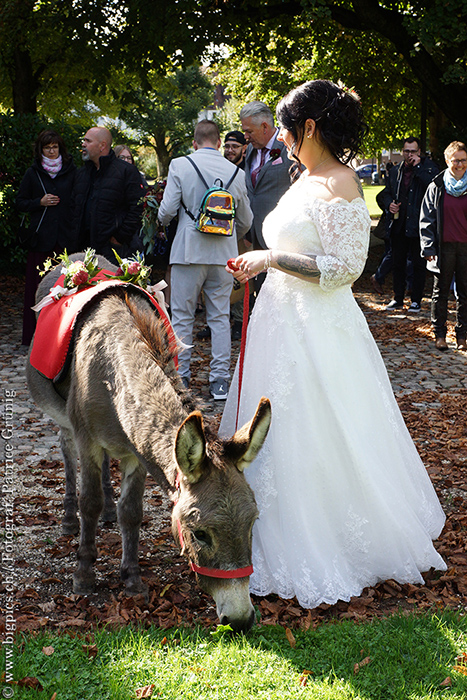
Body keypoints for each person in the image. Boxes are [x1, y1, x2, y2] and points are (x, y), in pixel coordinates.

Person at [219, 80, 446, 610]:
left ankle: (329, 539)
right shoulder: (303, 178)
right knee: (272, 427)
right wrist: (259, 260)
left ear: (311, 127)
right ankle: (261, 532)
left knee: (321, 425)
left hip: (320, 328)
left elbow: (346, 269)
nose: (281, 136)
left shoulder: (342, 184)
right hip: (279, 320)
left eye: (287, 126)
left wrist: (271, 260)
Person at [157, 119, 253, 399]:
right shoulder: (235, 171)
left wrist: (164, 224)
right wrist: (230, 236)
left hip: (188, 252)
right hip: (223, 253)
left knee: (183, 317)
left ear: (194, 142)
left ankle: (182, 377)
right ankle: (220, 381)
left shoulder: (180, 165)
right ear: (220, 142)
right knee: (220, 318)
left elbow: (167, 210)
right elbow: (246, 220)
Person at [16, 129, 77, 345]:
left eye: (55, 147)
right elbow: (19, 202)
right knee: (38, 288)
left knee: (65, 287)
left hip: (65, 239)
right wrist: (38, 203)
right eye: (47, 147)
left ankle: (62, 337)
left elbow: (77, 202)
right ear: (40, 150)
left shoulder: (71, 171)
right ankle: (35, 336)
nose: (51, 151)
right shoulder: (33, 172)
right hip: (41, 240)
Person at [381, 137, 439, 312]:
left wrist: (418, 167)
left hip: (419, 225)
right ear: (402, 151)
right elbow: (385, 193)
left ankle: (416, 300)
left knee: (418, 265)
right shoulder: (396, 171)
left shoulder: (429, 168)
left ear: (419, 152)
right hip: (399, 224)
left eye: (413, 151)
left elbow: (433, 186)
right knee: (397, 264)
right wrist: (389, 203)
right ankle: (398, 298)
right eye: (407, 151)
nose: (410, 155)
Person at [72, 127, 144, 265]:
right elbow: (73, 206)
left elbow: (138, 207)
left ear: (102, 145)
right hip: (83, 251)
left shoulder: (126, 171)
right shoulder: (81, 174)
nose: (83, 144)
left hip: (114, 251)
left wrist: (120, 237)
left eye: (88, 141)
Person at [241, 101, 292, 294]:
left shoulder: (288, 146)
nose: (245, 137)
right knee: (262, 292)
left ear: (264, 127)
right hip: (255, 236)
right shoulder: (251, 152)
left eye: (249, 131)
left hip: (283, 238)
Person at [420, 141, 467, 351]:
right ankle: (440, 335)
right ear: (448, 161)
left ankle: (462, 336)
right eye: (456, 160)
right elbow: (426, 219)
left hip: (465, 249)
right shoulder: (436, 187)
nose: (460, 164)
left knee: (465, 294)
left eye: (464, 160)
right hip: (443, 248)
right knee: (440, 294)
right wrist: (428, 248)